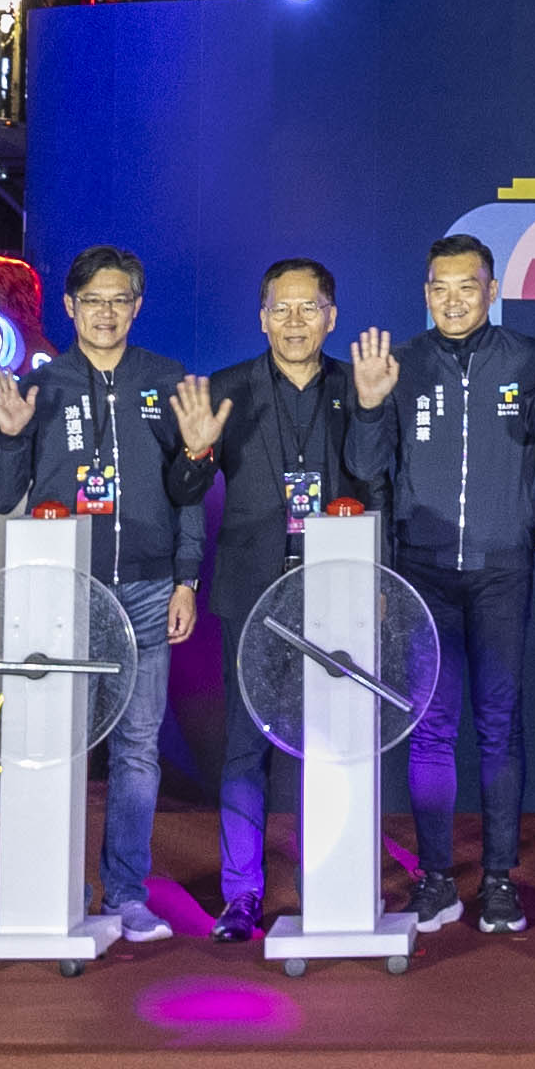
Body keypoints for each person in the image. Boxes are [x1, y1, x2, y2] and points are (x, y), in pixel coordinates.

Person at [0, 245, 208, 933]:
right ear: (70, 307)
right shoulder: (42, 388)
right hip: (62, 594)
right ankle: (55, 886)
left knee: (138, 746)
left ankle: (125, 894)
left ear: (136, 307)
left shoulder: (166, 380)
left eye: (119, 300)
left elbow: (188, 496)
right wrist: (12, 438)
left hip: (145, 586)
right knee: (60, 742)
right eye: (92, 301)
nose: (106, 313)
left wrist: (186, 578)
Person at [372, 233, 535, 932]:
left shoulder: (529, 359)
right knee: (431, 730)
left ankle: (501, 880)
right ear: (426, 294)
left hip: (502, 569)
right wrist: (367, 407)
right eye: (438, 287)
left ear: (491, 290)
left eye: (467, 286)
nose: (452, 300)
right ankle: (435, 879)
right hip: (422, 573)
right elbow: (372, 467)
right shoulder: (400, 364)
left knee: (499, 728)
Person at [178, 258, 375, 935]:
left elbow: (382, 482)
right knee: (245, 746)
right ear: (263, 317)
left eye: (309, 308)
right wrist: (197, 455)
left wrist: (380, 577)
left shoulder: (360, 389)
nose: (294, 323)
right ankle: (242, 894)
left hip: (338, 591)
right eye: (280, 310)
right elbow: (182, 492)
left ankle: (338, 880)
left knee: (337, 741)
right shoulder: (227, 389)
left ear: (332, 316)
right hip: (252, 589)